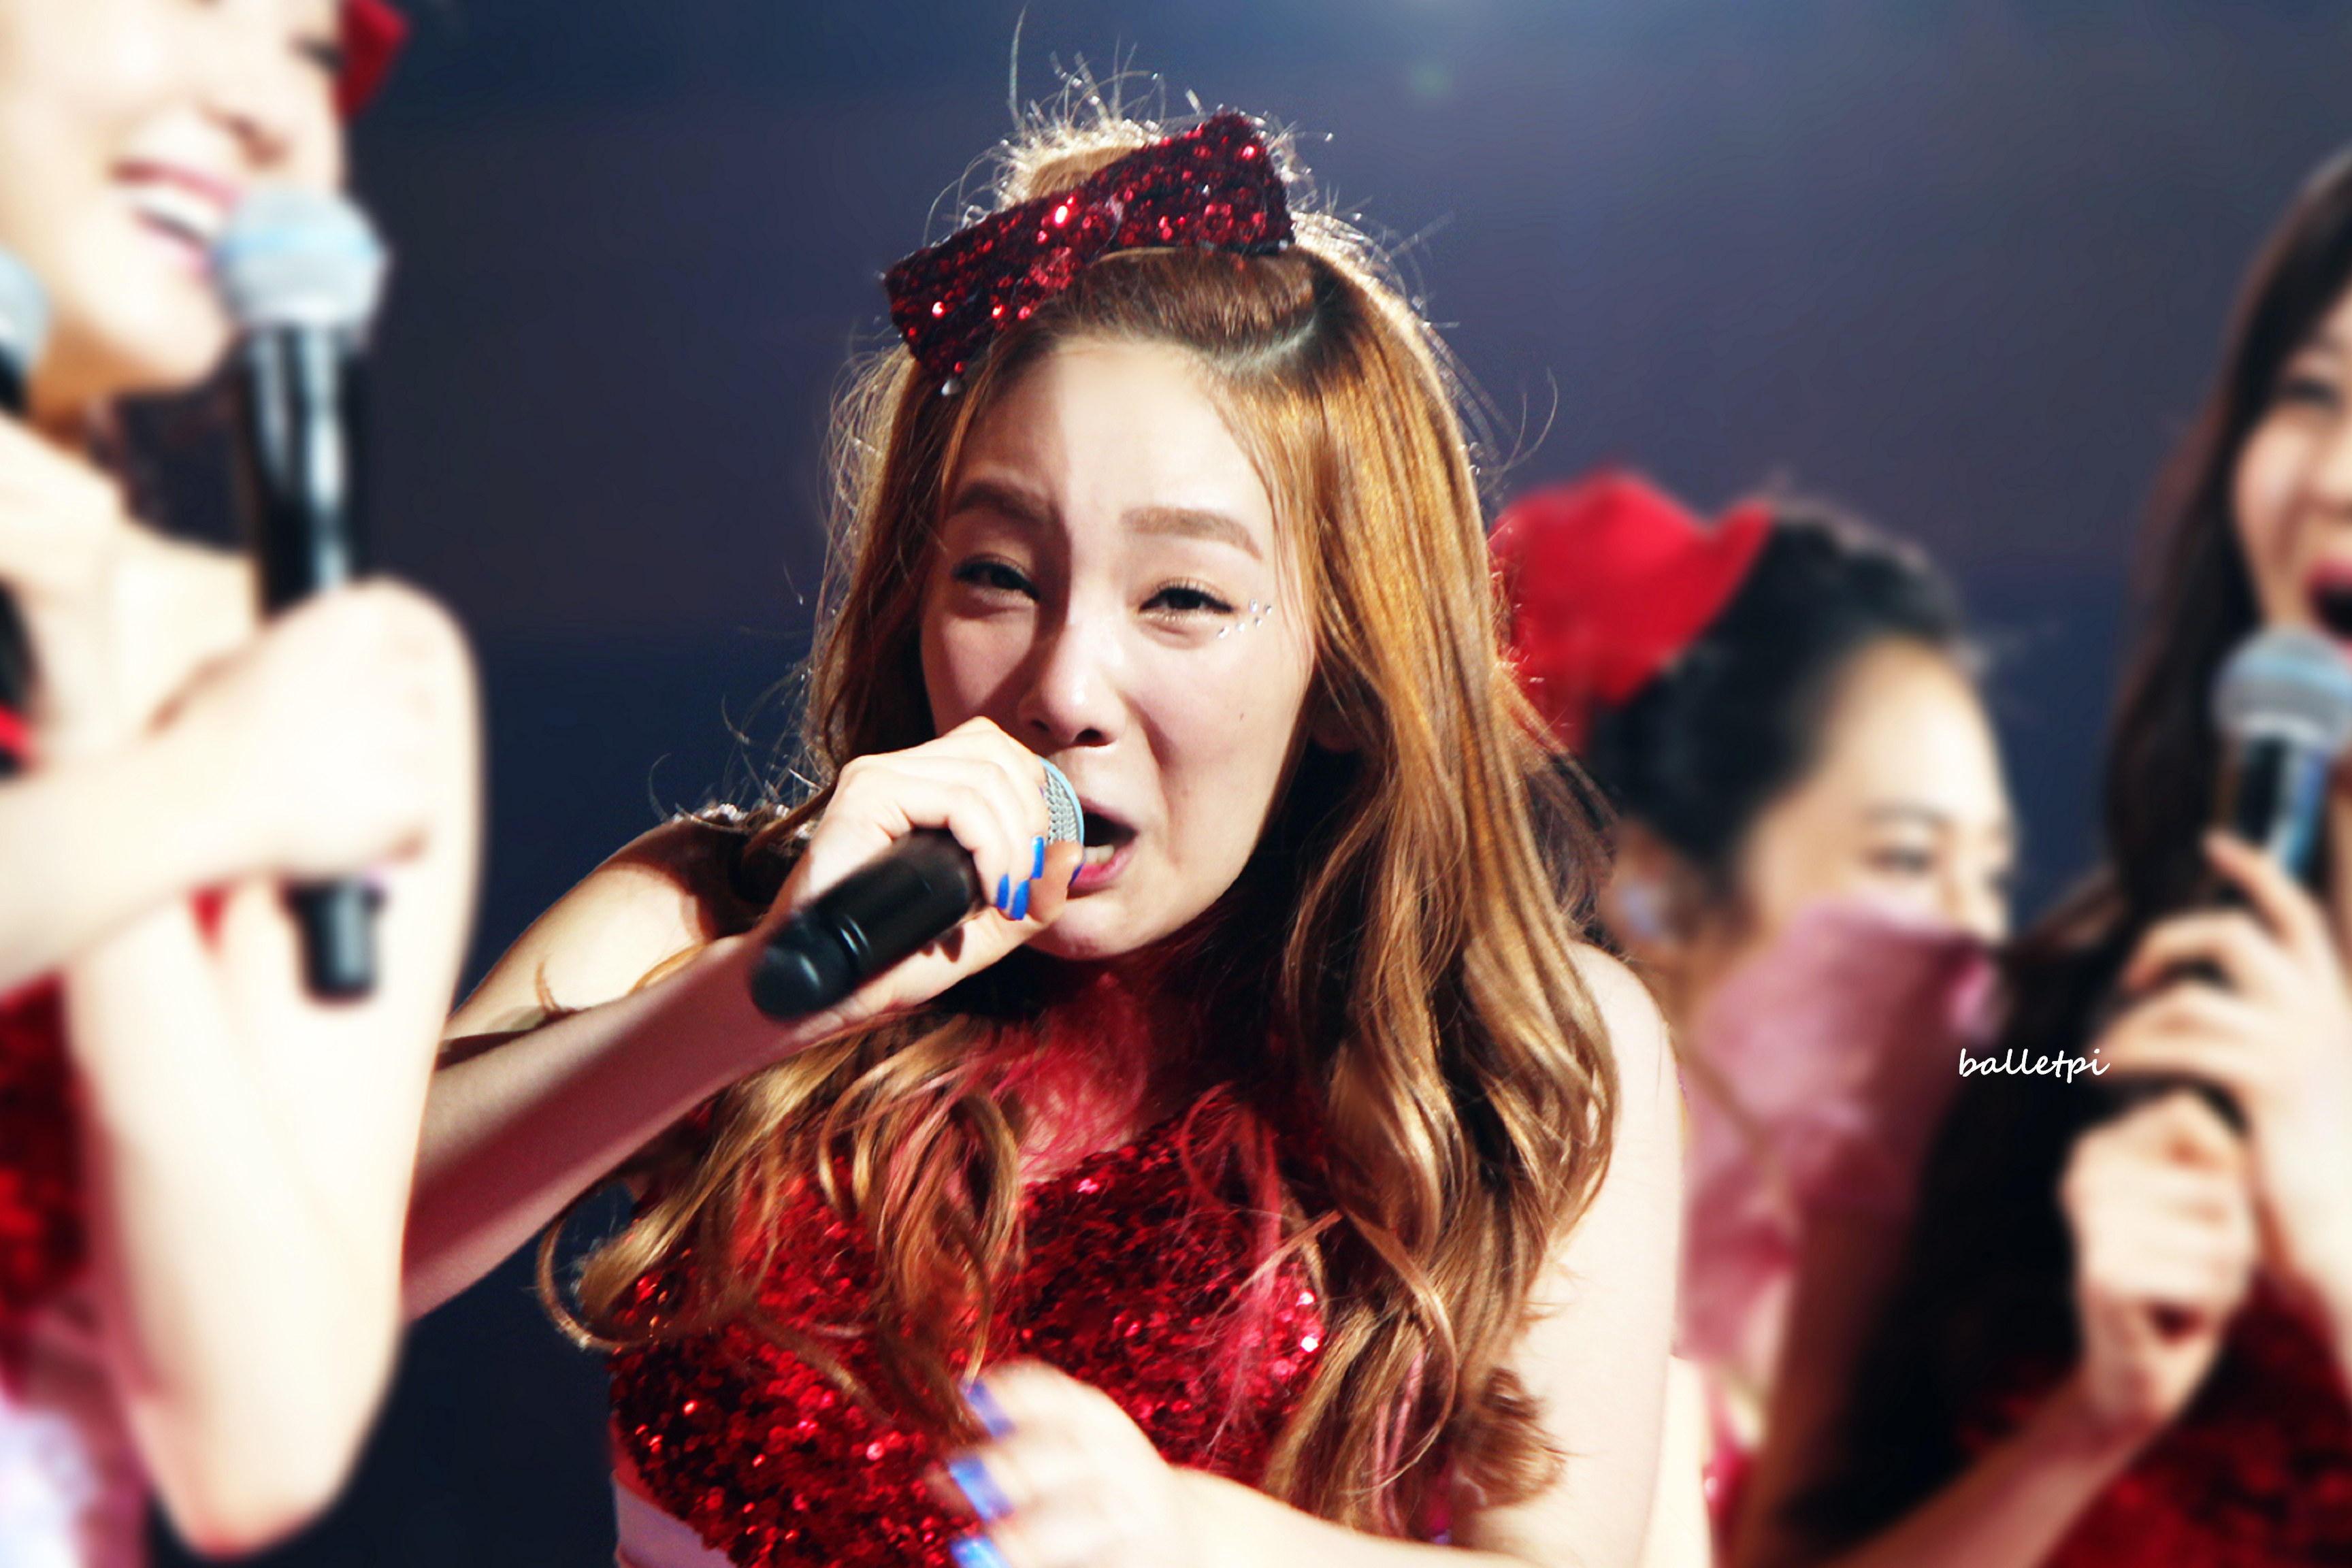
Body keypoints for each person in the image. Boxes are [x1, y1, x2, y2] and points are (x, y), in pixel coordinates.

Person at [407, 106, 1679, 1568]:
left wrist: (1191, 1541)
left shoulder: (1520, 1053)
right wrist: (760, 999)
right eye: (1001, 576)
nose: (1065, 688)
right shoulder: (706, 918)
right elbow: (294, 1262)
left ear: (1343, 669)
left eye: (1182, 599)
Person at [1739, 148, 2352, 1568]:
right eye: (2314, 394)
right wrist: (2092, 1425)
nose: (2334, 477)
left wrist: (2334, 1247)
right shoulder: (2028, 1045)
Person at [0, 0, 479, 1559]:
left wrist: (87, 702)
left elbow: (250, 1444)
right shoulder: (248, 758)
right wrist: (186, 804)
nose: (272, 108)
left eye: (311, 54)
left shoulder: (319, 694)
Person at [1490, 472, 2015, 1562]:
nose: (1969, 932)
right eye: (1905, 860)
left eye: (1988, 872)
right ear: (1663, 891)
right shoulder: (1538, 1296)